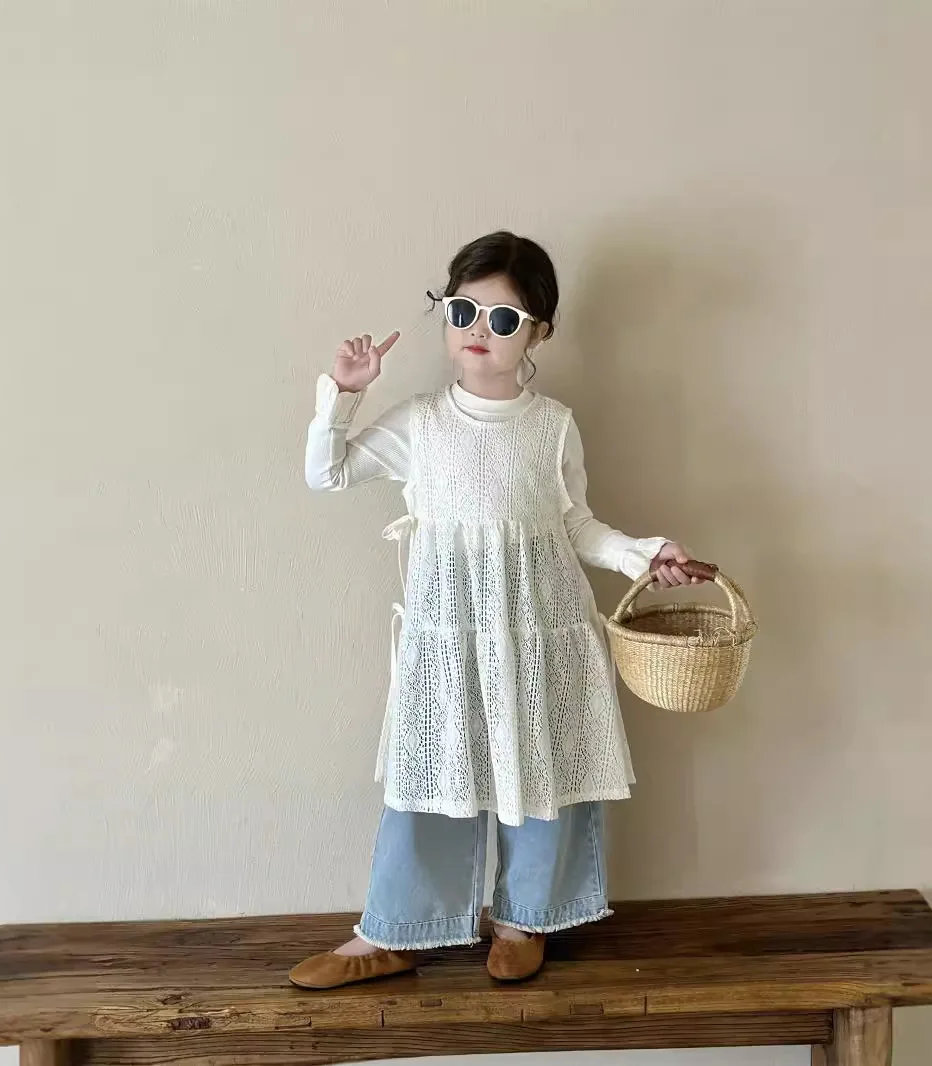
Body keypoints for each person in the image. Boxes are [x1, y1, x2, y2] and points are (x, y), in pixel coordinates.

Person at [289, 231, 707, 990]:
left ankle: (527, 919)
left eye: (504, 319)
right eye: (462, 311)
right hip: (448, 634)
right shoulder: (420, 423)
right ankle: (396, 930)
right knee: (431, 772)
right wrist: (346, 393)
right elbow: (328, 472)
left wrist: (644, 555)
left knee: (539, 768)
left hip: (540, 629)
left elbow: (576, 523)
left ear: (539, 332)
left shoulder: (552, 426)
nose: (479, 330)